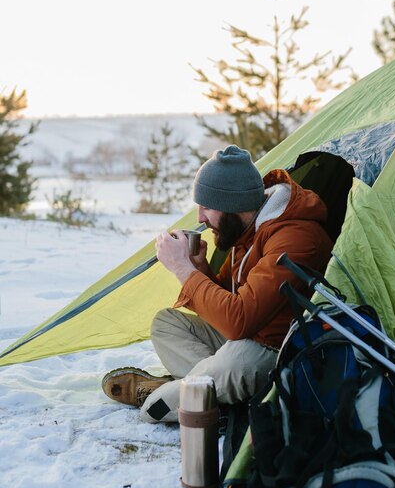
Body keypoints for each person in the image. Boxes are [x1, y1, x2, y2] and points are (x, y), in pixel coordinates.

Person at [102, 145, 333, 423]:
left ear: (233, 205)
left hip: (274, 352)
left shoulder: (295, 238)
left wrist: (182, 269)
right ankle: (213, 390)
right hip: (241, 341)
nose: (200, 218)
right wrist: (201, 269)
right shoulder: (248, 230)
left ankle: (172, 390)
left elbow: (239, 320)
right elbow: (228, 305)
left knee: (154, 408)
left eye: (207, 207)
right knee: (166, 323)